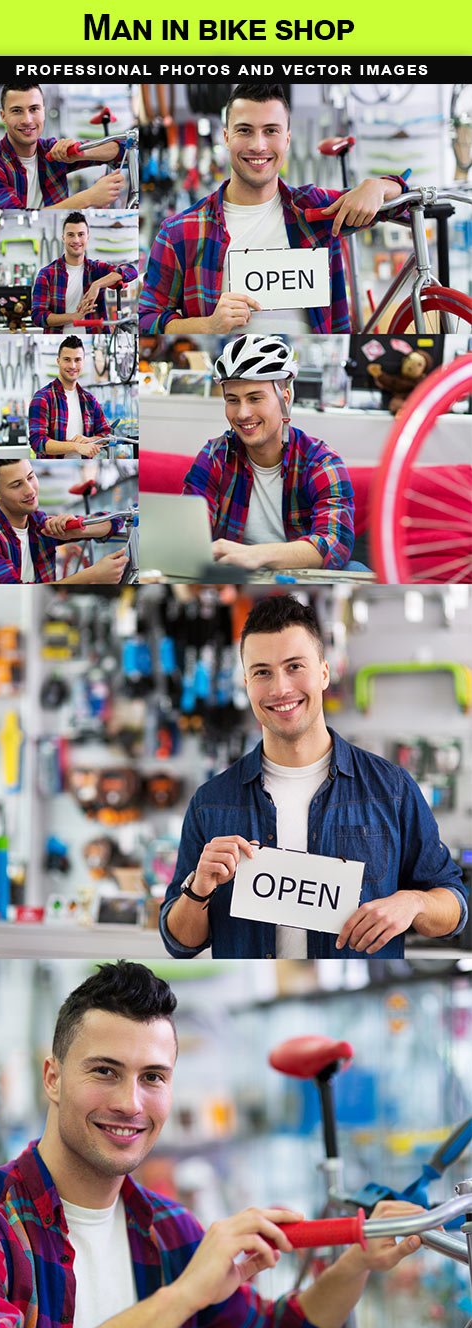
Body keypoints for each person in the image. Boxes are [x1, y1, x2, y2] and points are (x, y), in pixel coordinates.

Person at [0, 959, 427, 1328]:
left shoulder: (169, 1228)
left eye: (152, 1077)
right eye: (105, 1072)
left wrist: (357, 1260)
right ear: (52, 1078)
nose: (130, 1103)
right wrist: (188, 1293)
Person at [160, 596, 467, 961]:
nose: (279, 689)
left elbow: (455, 909)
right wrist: (198, 888)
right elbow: (181, 944)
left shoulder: (392, 790)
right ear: (245, 683)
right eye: (262, 672)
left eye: (294, 666)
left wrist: (413, 902)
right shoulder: (211, 802)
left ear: (324, 672)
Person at [139, 79, 407, 337]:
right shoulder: (180, 231)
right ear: (226, 137)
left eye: (271, 130)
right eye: (244, 130)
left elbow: (406, 205)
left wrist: (380, 186)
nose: (258, 145)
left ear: (287, 139)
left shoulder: (316, 210)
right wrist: (208, 326)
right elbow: (147, 319)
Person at [184, 336, 355, 572]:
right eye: (232, 400)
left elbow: (336, 543)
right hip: (234, 578)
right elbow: (189, 534)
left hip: (299, 577)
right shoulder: (215, 455)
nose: (242, 413)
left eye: (255, 398)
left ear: (284, 398)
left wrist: (255, 555)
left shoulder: (320, 461)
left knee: (357, 569)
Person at [0, 80, 126, 211]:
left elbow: (124, 148)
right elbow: (15, 220)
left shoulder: (52, 151)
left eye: (34, 109)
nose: (27, 120)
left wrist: (82, 153)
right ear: (3, 116)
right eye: (17, 111)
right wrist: (88, 198)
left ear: (43, 112)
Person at [0, 459, 129, 585]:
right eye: (17, 485)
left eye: (31, 477)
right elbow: (12, 594)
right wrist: (93, 576)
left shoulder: (38, 523)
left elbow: (115, 519)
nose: (30, 490)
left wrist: (79, 529)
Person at [31, 211, 138, 330]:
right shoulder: (46, 274)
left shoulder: (96, 269)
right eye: (71, 235)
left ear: (88, 237)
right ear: (63, 238)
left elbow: (131, 270)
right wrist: (74, 317)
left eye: (81, 234)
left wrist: (96, 285)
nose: (76, 240)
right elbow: (37, 317)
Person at [28, 337, 111, 458]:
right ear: (58, 361)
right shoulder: (43, 398)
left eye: (77, 360)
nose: (72, 366)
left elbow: (106, 434)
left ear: (83, 361)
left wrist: (90, 440)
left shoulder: (89, 400)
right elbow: (37, 442)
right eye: (67, 359)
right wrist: (76, 446)